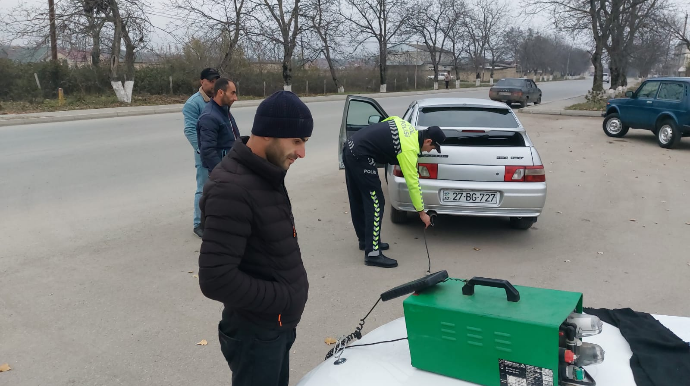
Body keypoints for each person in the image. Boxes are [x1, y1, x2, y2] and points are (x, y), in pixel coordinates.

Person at [198, 90, 312, 386]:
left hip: (274, 327)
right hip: (257, 334)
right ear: (268, 135)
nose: (302, 153)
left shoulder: (266, 173)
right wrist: (284, 298)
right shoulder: (231, 189)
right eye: (297, 142)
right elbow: (215, 279)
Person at [343, 117, 445, 268]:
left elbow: (387, 120)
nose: (430, 151)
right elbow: (413, 184)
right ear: (428, 141)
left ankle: (366, 241)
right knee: (376, 201)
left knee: (358, 197)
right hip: (361, 155)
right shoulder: (409, 149)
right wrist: (422, 213)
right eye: (433, 148)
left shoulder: (406, 126)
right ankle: (373, 253)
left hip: (350, 146)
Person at [183, 67, 220, 238]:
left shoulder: (218, 99)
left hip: (220, 151)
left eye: (215, 81)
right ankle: (199, 223)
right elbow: (190, 130)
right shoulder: (193, 103)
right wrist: (204, 150)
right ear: (202, 81)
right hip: (204, 152)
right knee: (203, 188)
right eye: (210, 81)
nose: (213, 84)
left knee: (220, 187)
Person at [196, 77, 240, 174]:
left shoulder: (224, 111)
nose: (235, 98)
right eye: (232, 93)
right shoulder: (209, 117)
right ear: (220, 93)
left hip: (232, 169)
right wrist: (222, 174)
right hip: (223, 176)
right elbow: (208, 152)